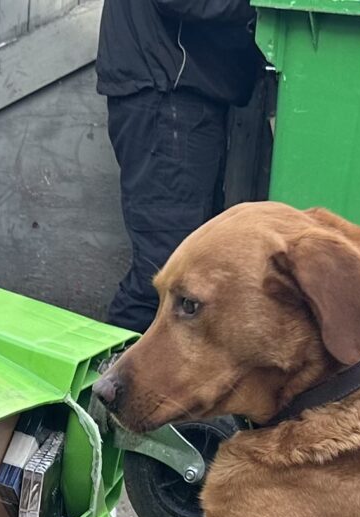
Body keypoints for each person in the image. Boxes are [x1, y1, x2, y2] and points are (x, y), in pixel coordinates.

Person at [97, 0, 266, 331]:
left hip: (174, 90)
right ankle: (110, 376)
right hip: (167, 93)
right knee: (165, 269)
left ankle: (137, 377)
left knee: (183, 264)